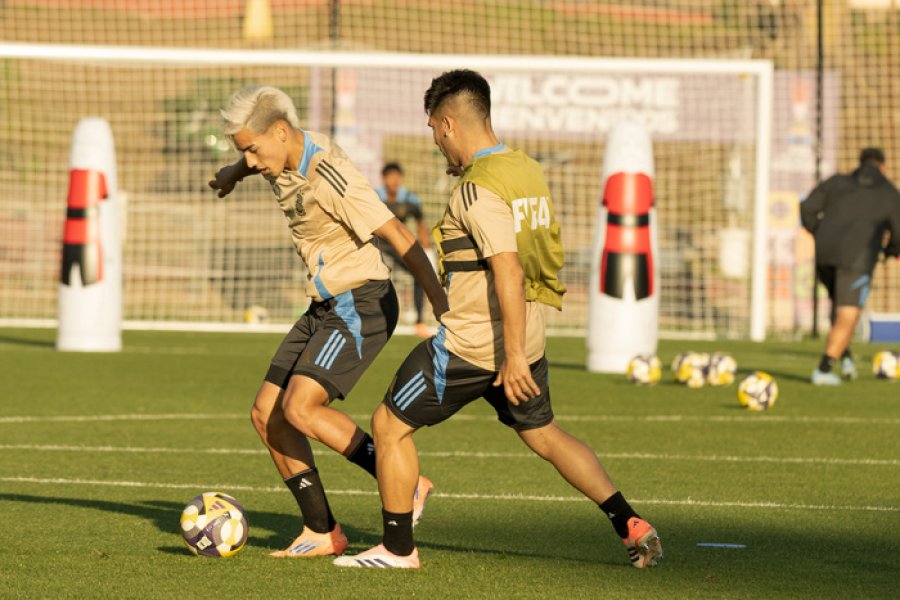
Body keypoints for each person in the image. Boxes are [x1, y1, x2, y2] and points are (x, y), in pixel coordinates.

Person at [334, 70, 663, 569]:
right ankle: (629, 523)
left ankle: (398, 549)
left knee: (388, 425)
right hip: (526, 337)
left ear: (447, 124)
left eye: (433, 131)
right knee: (546, 436)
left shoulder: (476, 190)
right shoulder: (523, 169)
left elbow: (506, 265)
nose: (436, 143)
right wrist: (518, 351)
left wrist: (508, 358)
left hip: (475, 345)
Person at [208, 85, 448, 557]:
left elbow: (398, 234)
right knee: (266, 416)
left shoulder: (329, 173)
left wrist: (441, 304)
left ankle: (405, 480)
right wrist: (233, 174)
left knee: (299, 409)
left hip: (362, 301)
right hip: (325, 305)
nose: (252, 162)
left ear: (280, 132)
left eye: (252, 151)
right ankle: (322, 531)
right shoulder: (277, 155)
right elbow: (253, 158)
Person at [801, 147, 900, 385]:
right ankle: (824, 369)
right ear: (882, 166)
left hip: (824, 255)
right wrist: (891, 251)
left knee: (839, 304)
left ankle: (845, 356)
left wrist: (819, 232)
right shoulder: (889, 193)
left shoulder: (836, 182)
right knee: (848, 313)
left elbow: (807, 208)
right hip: (857, 259)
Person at [375, 162, 433, 338]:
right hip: (376, 244)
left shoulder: (410, 199)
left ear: (400, 178)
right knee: (375, 279)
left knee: (419, 274)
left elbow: (420, 223)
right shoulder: (375, 197)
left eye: (396, 176)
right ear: (384, 179)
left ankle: (420, 322)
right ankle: (373, 320)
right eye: (389, 177)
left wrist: (426, 245)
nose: (393, 180)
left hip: (397, 244)